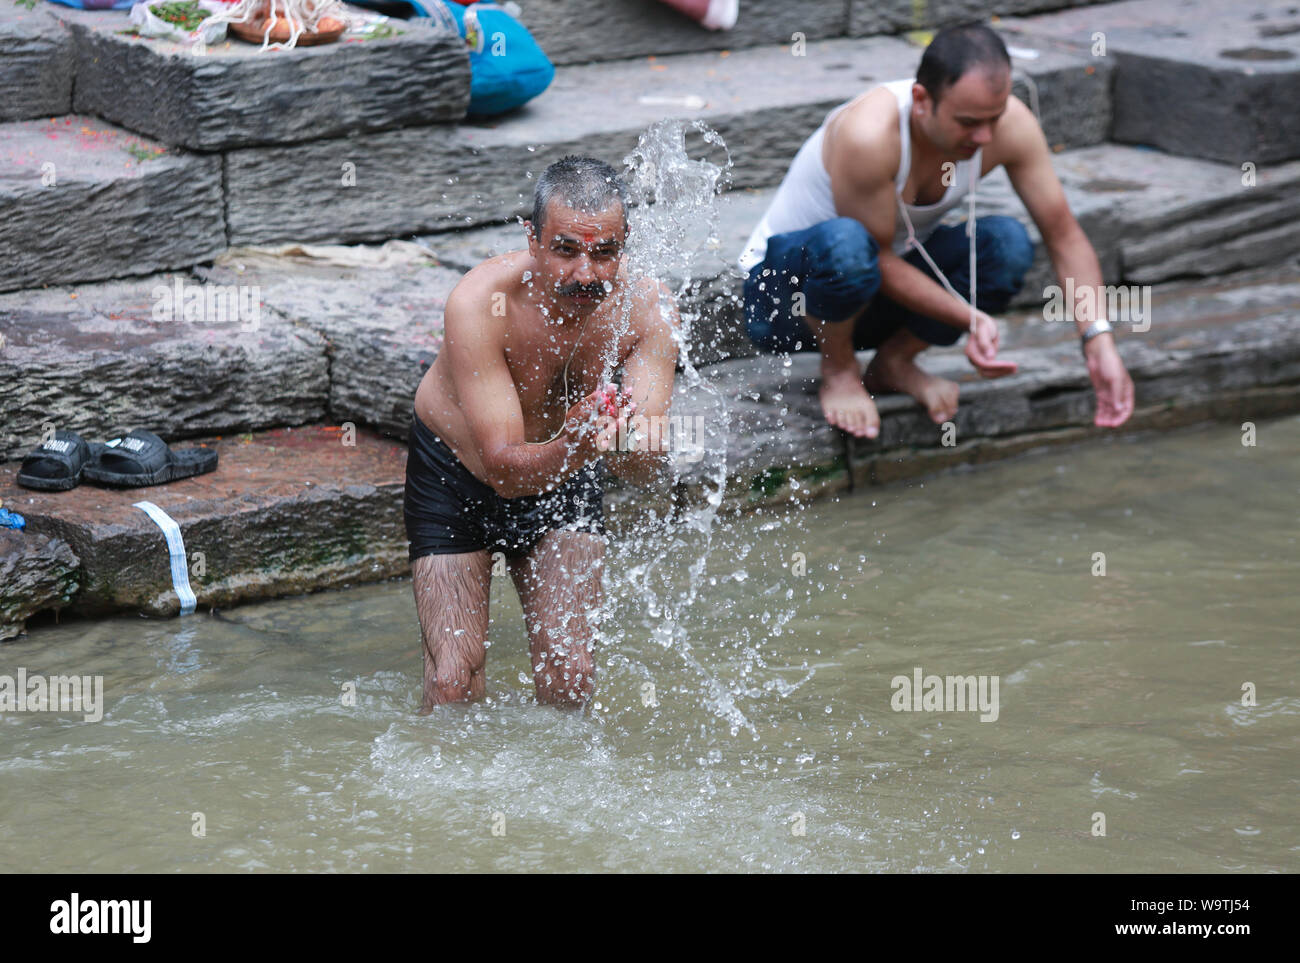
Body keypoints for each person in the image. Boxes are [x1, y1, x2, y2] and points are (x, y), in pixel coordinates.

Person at [738, 22, 1135, 438]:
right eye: (968, 122)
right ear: (922, 100)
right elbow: (875, 258)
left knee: (1006, 245)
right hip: (785, 305)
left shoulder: (1008, 126)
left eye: (993, 119)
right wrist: (967, 317)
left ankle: (895, 362)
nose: (983, 137)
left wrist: (1098, 341)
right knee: (848, 247)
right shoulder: (869, 134)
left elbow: (1064, 236)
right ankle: (839, 371)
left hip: (872, 295)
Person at [405, 156, 679, 711]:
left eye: (605, 253)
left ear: (624, 244)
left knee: (570, 677)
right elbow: (504, 467)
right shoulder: (481, 301)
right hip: (458, 475)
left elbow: (649, 464)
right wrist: (578, 443)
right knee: (453, 683)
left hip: (565, 476)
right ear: (533, 239)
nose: (587, 274)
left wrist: (620, 438)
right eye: (567, 250)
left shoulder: (646, 309)